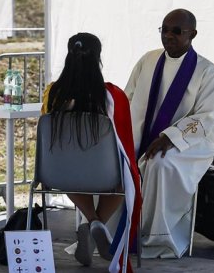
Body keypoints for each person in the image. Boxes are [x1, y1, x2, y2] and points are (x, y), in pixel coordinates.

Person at [124, 8, 214, 259]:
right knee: (118, 161)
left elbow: (205, 117)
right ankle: (117, 231)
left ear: (193, 34)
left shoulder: (208, 72)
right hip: (142, 134)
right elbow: (128, 98)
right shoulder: (148, 61)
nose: (169, 35)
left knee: (160, 164)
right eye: (165, 29)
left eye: (177, 31)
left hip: (190, 143)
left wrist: (170, 137)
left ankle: (157, 236)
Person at [42, 33, 140, 270]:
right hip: (105, 174)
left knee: (69, 170)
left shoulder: (52, 93)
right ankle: (98, 223)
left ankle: (93, 221)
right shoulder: (113, 96)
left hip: (60, 174)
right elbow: (124, 142)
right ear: (98, 59)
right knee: (125, 178)